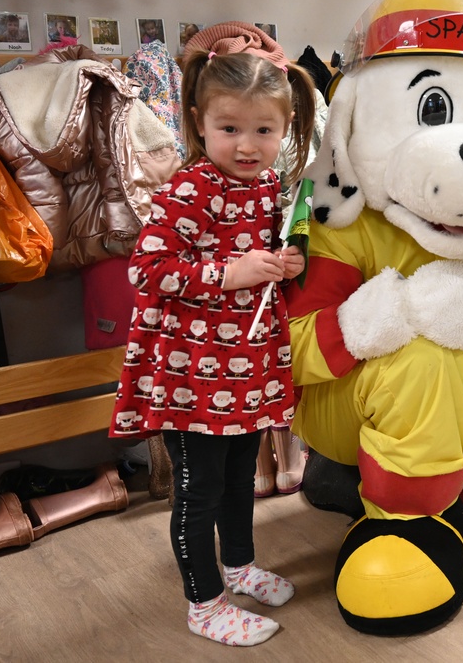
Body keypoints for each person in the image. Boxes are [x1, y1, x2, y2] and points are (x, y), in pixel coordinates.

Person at [109, 34, 317, 646]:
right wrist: (230, 273)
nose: (247, 146)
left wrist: (285, 263)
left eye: (263, 131)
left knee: (234, 481)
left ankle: (240, 566)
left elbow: (261, 254)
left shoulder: (267, 185)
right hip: (190, 374)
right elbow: (146, 270)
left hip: (245, 365)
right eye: (230, 129)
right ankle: (203, 604)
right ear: (199, 124)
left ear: (284, 129)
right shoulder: (189, 189)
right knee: (197, 494)